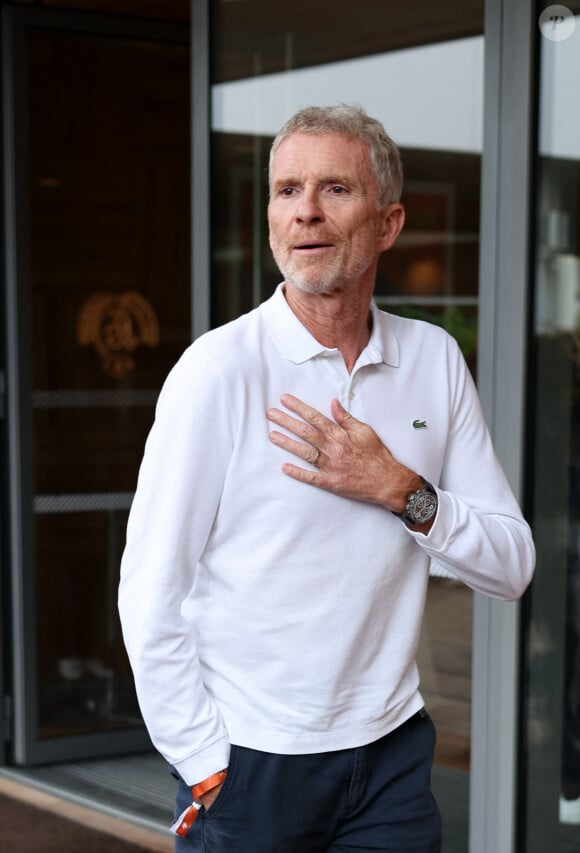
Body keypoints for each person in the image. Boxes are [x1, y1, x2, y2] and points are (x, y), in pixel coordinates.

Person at [118, 104, 535, 852]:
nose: (304, 211)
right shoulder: (220, 371)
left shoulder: (433, 359)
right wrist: (204, 759)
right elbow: (150, 589)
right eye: (286, 190)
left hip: (391, 757)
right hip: (252, 763)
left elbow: (511, 564)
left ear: (388, 223)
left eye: (334, 189)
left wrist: (399, 487)